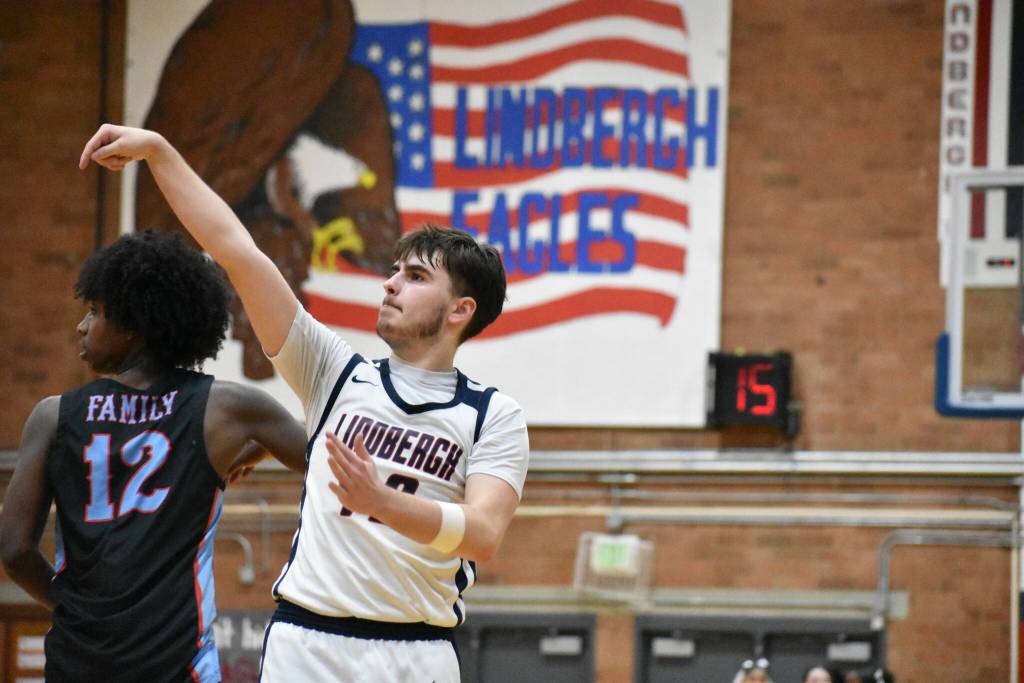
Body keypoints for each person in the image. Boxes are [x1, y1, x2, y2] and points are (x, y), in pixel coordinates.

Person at [79, 124, 531, 682]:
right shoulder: (333, 372)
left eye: (414, 276)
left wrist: (382, 501)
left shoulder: (494, 415)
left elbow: (482, 535)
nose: (390, 284)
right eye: (393, 271)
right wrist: (160, 152)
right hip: (308, 642)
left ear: (461, 310)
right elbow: (236, 251)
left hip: (419, 650)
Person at [0, 231, 309, 682]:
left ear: (133, 323)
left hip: (78, 661)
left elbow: (13, 551)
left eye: (94, 312)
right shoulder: (225, 409)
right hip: (178, 664)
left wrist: (74, 605)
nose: (81, 326)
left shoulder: (53, 416)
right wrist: (260, 446)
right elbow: (325, 454)